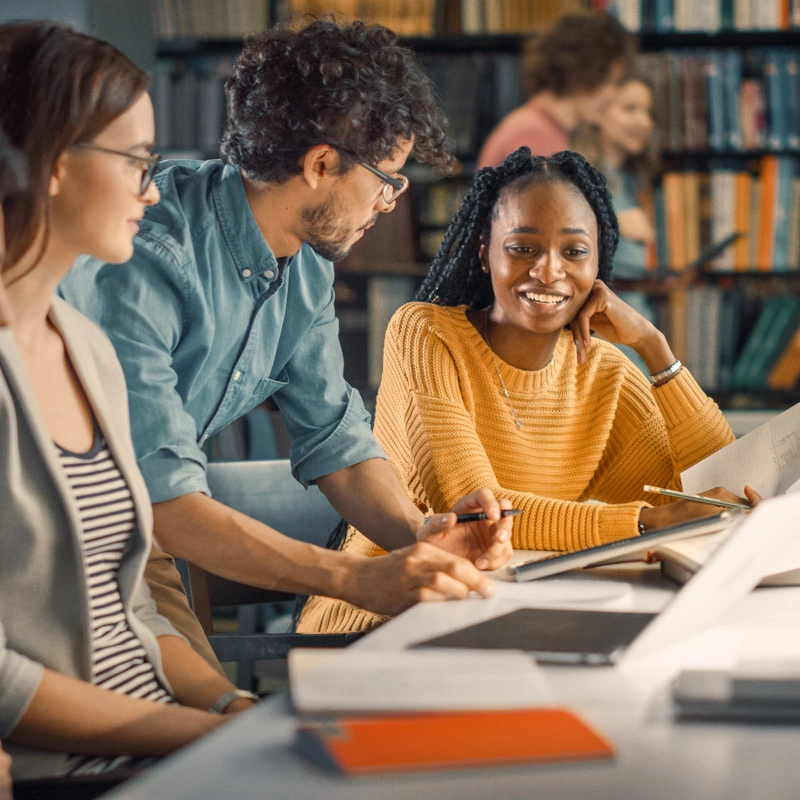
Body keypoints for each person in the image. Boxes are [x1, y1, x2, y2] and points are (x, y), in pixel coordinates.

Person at [60, 17, 514, 670]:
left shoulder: (305, 268)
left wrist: (425, 537)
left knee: (223, 720)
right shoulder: (149, 258)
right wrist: (355, 579)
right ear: (322, 164)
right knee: (201, 735)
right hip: (66, 538)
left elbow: (340, 446)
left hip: (135, 537)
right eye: (388, 177)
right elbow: (166, 508)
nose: (390, 202)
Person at [298, 147, 758, 634]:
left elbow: (711, 490)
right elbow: (481, 513)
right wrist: (643, 525)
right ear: (484, 250)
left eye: (575, 252)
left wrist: (655, 346)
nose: (548, 270)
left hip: (512, 610)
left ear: (598, 264)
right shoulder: (427, 336)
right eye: (523, 247)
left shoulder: (606, 372)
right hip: (385, 615)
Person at [0, 22, 260, 786]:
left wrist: (228, 708)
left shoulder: (87, 347)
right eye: (138, 162)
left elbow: (131, 613)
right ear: (50, 162)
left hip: (163, 745)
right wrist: (193, 737)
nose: (154, 189)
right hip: (81, 769)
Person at [478, 10, 634, 169]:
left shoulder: (541, 128)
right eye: (611, 81)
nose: (614, 94)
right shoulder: (534, 136)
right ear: (583, 71)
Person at [571, 74, 659, 278]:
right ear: (598, 113)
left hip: (636, 304)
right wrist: (615, 223)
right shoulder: (577, 177)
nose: (645, 122)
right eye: (630, 109)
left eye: (649, 112)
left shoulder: (635, 179)